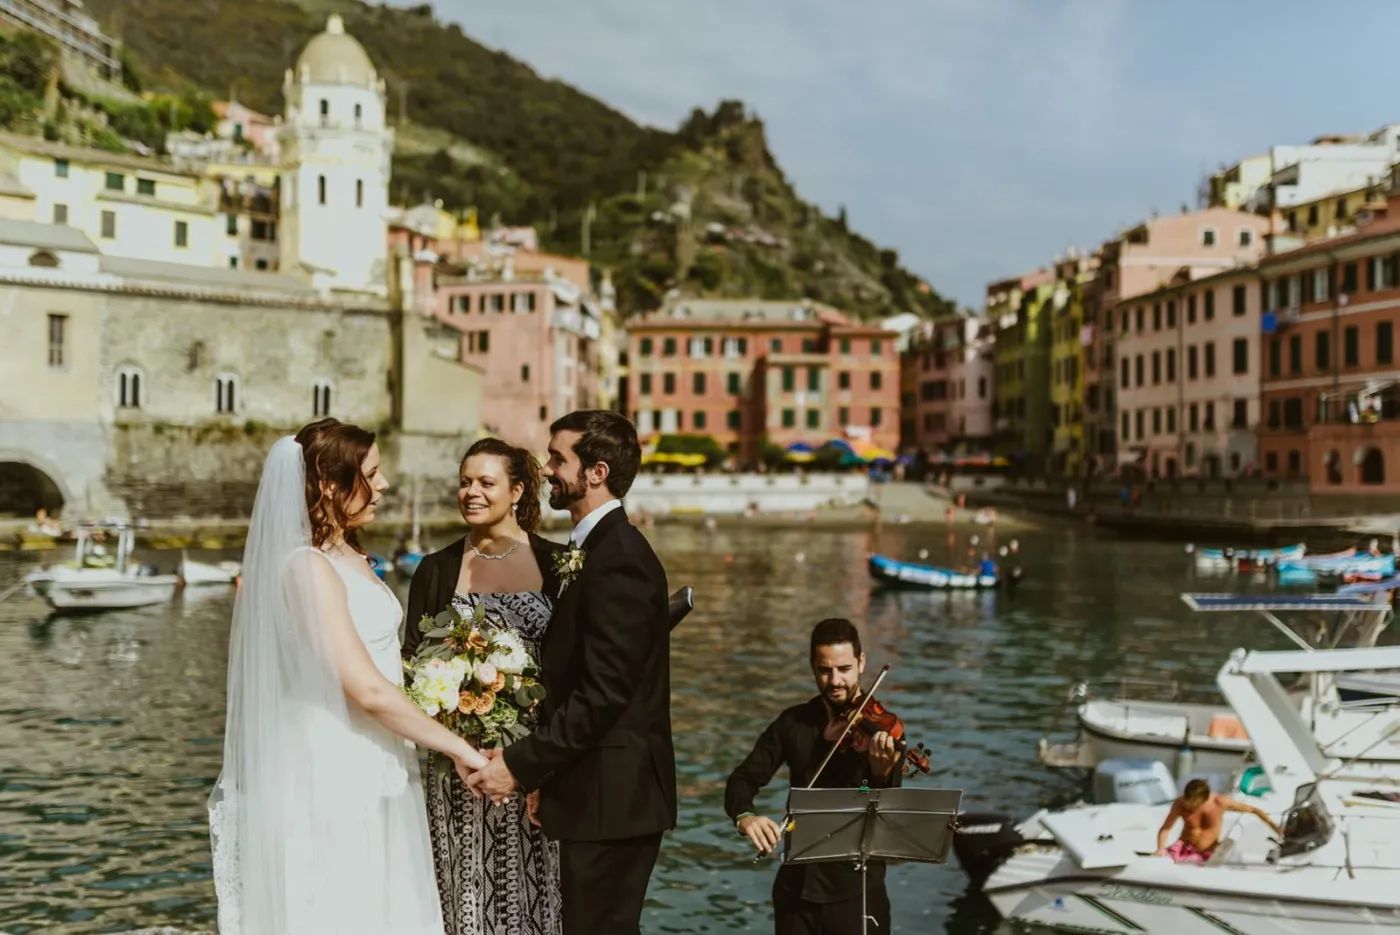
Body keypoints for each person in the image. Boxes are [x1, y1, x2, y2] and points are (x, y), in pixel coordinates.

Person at [208, 419, 490, 934]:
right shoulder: (307, 568)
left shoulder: (349, 557)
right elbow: (364, 689)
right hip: (334, 765)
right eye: (372, 474)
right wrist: (461, 750)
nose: (383, 486)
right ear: (332, 485)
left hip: (376, 757)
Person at [469, 410, 676, 935]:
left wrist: (520, 764)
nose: (547, 469)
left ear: (596, 472)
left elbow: (603, 694)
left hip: (615, 801)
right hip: (594, 793)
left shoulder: (620, 558)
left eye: (559, 458)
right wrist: (548, 777)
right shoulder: (593, 552)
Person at [404, 438, 565, 935]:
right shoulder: (435, 569)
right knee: (460, 892)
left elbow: (573, 673)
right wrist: (457, 742)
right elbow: (412, 665)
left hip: (536, 766)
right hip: (457, 769)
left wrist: (537, 764)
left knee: (540, 897)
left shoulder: (560, 564)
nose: (471, 492)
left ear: (517, 490)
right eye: (465, 481)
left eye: (485, 482)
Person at [726, 618, 904, 935]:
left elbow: (888, 813)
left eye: (844, 669)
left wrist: (880, 772)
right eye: (825, 670)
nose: (835, 680)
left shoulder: (882, 730)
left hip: (857, 891)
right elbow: (742, 778)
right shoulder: (794, 723)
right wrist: (746, 816)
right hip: (796, 888)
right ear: (813, 667)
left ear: (861, 663)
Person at [1154, 778, 1281, 864]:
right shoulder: (1180, 804)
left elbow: (1254, 810)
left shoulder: (1219, 802)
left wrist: (1276, 828)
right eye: (1188, 802)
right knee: (1159, 860)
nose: (1189, 806)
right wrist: (1160, 848)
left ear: (1204, 799)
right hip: (1183, 850)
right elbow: (1166, 829)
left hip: (1209, 852)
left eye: (1193, 803)